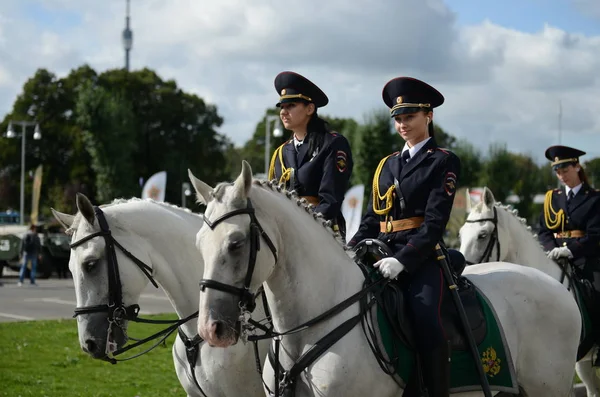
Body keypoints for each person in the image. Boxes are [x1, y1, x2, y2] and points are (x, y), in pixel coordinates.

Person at [347, 77, 460, 396]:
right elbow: (371, 219)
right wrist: (351, 248)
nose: (402, 124)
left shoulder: (443, 161)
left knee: (426, 318)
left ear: (429, 116)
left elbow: (434, 224)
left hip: (421, 259)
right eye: (398, 118)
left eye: (409, 116)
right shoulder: (386, 165)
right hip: (378, 255)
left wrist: (403, 260)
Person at [268, 71, 353, 239]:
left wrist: (298, 227)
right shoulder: (280, 153)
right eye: (282, 107)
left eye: (291, 106)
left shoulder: (333, 144)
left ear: (310, 108)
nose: (283, 112)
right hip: (286, 235)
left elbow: (330, 201)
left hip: (322, 234)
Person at [537, 145, 600, 359]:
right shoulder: (551, 198)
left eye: (565, 170)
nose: (561, 176)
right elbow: (544, 230)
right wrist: (552, 250)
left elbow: (594, 235)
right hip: (554, 259)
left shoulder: (594, 198)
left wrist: (570, 251)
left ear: (577, 166)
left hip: (584, 260)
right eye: (557, 171)